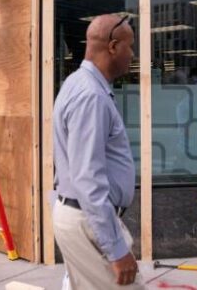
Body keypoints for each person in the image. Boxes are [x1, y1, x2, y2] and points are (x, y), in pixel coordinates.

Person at [52, 14, 143, 289]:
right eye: (130, 46)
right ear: (113, 46)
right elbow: (88, 178)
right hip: (88, 220)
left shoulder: (77, 83)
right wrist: (116, 249)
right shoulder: (90, 95)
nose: (133, 54)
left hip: (82, 216)